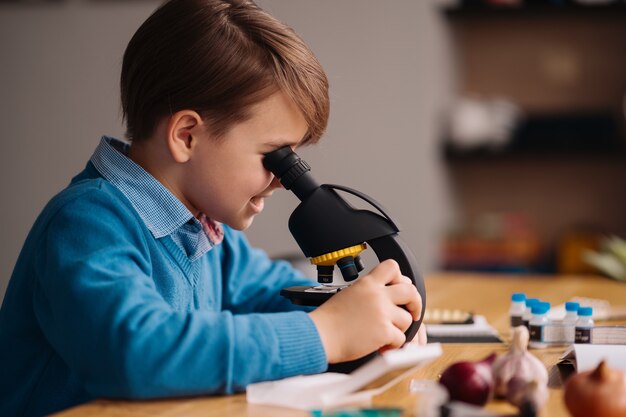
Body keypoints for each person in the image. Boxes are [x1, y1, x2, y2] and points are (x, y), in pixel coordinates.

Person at [0, 0, 424, 416]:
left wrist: (371, 320)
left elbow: (274, 296)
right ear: (186, 136)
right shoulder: (86, 224)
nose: (282, 179)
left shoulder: (202, 233)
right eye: (274, 157)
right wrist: (325, 333)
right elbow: (138, 353)